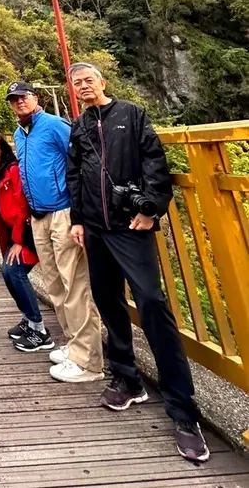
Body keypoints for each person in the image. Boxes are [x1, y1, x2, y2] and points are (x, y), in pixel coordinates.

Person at [66, 62, 208, 463]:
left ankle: (183, 411)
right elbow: (74, 174)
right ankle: (127, 378)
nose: (84, 87)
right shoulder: (78, 127)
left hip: (131, 226)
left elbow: (154, 164)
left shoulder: (132, 114)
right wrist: (78, 219)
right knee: (107, 299)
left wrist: (152, 210)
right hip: (94, 227)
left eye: (88, 80)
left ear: (102, 82)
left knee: (150, 302)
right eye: (77, 83)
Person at [7, 80, 104, 378]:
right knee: (55, 285)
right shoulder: (19, 134)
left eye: (24, 97)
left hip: (63, 211)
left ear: (36, 98)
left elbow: (81, 159)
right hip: (38, 217)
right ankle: (74, 344)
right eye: (14, 99)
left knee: (74, 283)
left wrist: (81, 212)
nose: (19, 102)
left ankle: (89, 361)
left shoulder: (54, 125)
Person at [0, 130, 51, 350]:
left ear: (3, 149)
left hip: (26, 233)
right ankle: (28, 319)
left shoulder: (13, 171)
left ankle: (39, 329)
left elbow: (22, 207)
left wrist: (19, 241)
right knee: (9, 274)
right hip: (10, 234)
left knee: (14, 271)